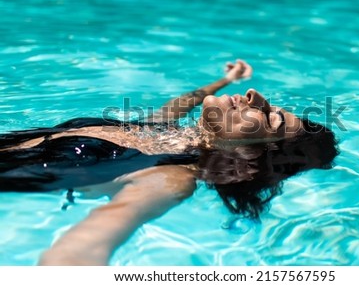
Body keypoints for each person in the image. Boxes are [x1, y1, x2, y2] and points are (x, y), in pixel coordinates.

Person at [0, 60, 339, 265]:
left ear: (250, 155)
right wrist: (226, 81)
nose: (256, 96)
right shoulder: (161, 131)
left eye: (271, 119)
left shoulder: (168, 178)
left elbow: (86, 247)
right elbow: (185, 101)